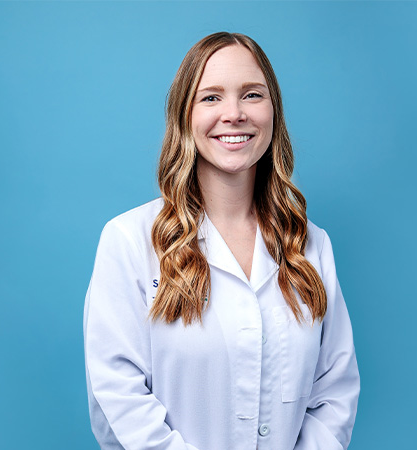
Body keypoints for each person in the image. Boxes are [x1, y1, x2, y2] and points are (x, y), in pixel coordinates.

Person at [83, 32, 359, 450]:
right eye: (210, 98)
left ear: (273, 112)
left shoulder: (311, 246)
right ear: (184, 115)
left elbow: (334, 393)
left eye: (252, 95)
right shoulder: (129, 241)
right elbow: (116, 395)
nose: (234, 113)